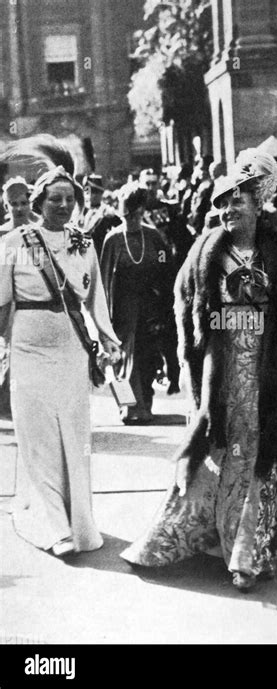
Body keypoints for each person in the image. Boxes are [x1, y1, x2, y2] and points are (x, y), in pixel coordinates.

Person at [121, 149, 277, 590]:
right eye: (223, 202)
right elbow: (182, 301)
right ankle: (199, 534)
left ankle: (247, 551)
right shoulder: (205, 250)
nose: (229, 209)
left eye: (238, 200)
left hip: (271, 368)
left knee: (260, 451)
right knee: (216, 446)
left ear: (258, 203)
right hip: (222, 365)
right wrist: (186, 356)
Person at [0, 135, 121, 556]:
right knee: (38, 438)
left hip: (71, 353)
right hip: (28, 352)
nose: (63, 206)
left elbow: (96, 300)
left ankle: (79, 523)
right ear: (38, 201)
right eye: (54, 199)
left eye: (69, 199)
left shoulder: (83, 243)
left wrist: (108, 340)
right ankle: (53, 527)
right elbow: (1, 304)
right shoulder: (13, 245)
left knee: (73, 435)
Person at [100, 182, 180, 425]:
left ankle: (145, 402)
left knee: (147, 359)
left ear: (142, 211)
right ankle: (129, 408)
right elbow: (103, 281)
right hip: (123, 309)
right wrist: (103, 319)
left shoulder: (154, 237)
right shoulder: (112, 240)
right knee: (124, 361)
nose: (131, 220)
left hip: (150, 308)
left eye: (135, 215)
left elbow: (168, 269)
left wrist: (166, 304)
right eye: (126, 216)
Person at [0, 177, 38, 418]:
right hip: (4, 303)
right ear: (6, 206)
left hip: (29, 303)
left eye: (23, 202)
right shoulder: (2, 234)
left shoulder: (39, 232)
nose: (19, 208)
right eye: (14, 203)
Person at [78, 174, 122, 257]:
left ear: (101, 193)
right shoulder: (81, 211)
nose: (92, 195)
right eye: (87, 190)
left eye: (96, 191)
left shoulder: (108, 213)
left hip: (98, 254)